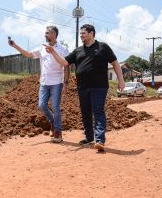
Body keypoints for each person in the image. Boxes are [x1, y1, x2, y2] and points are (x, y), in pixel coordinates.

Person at [44, 24, 125, 152]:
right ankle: (89, 137)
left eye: (83, 33)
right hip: (82, 87)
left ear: (92, 33)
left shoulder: (103, 47)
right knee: (85, 112)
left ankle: (99, 140)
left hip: (99, 86)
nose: (81, 35)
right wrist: (53, 52)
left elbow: (115, 63)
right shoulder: (78, 51)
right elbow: (65, 62)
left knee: (98, 111)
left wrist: (121, 81)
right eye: (80, 34)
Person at [8, 26, 69, 143]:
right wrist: (15, 45)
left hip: (57, 82)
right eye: (45, 33)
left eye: (47, 33)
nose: (45, 35)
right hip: (44, 82)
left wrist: (66, 83)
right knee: (42, 105)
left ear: (54, 35)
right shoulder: (42, 48)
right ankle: (52, 122)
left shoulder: (63, 49)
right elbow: (28, 54)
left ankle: (58, 132)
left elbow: (67, 66)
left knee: (56, 107)